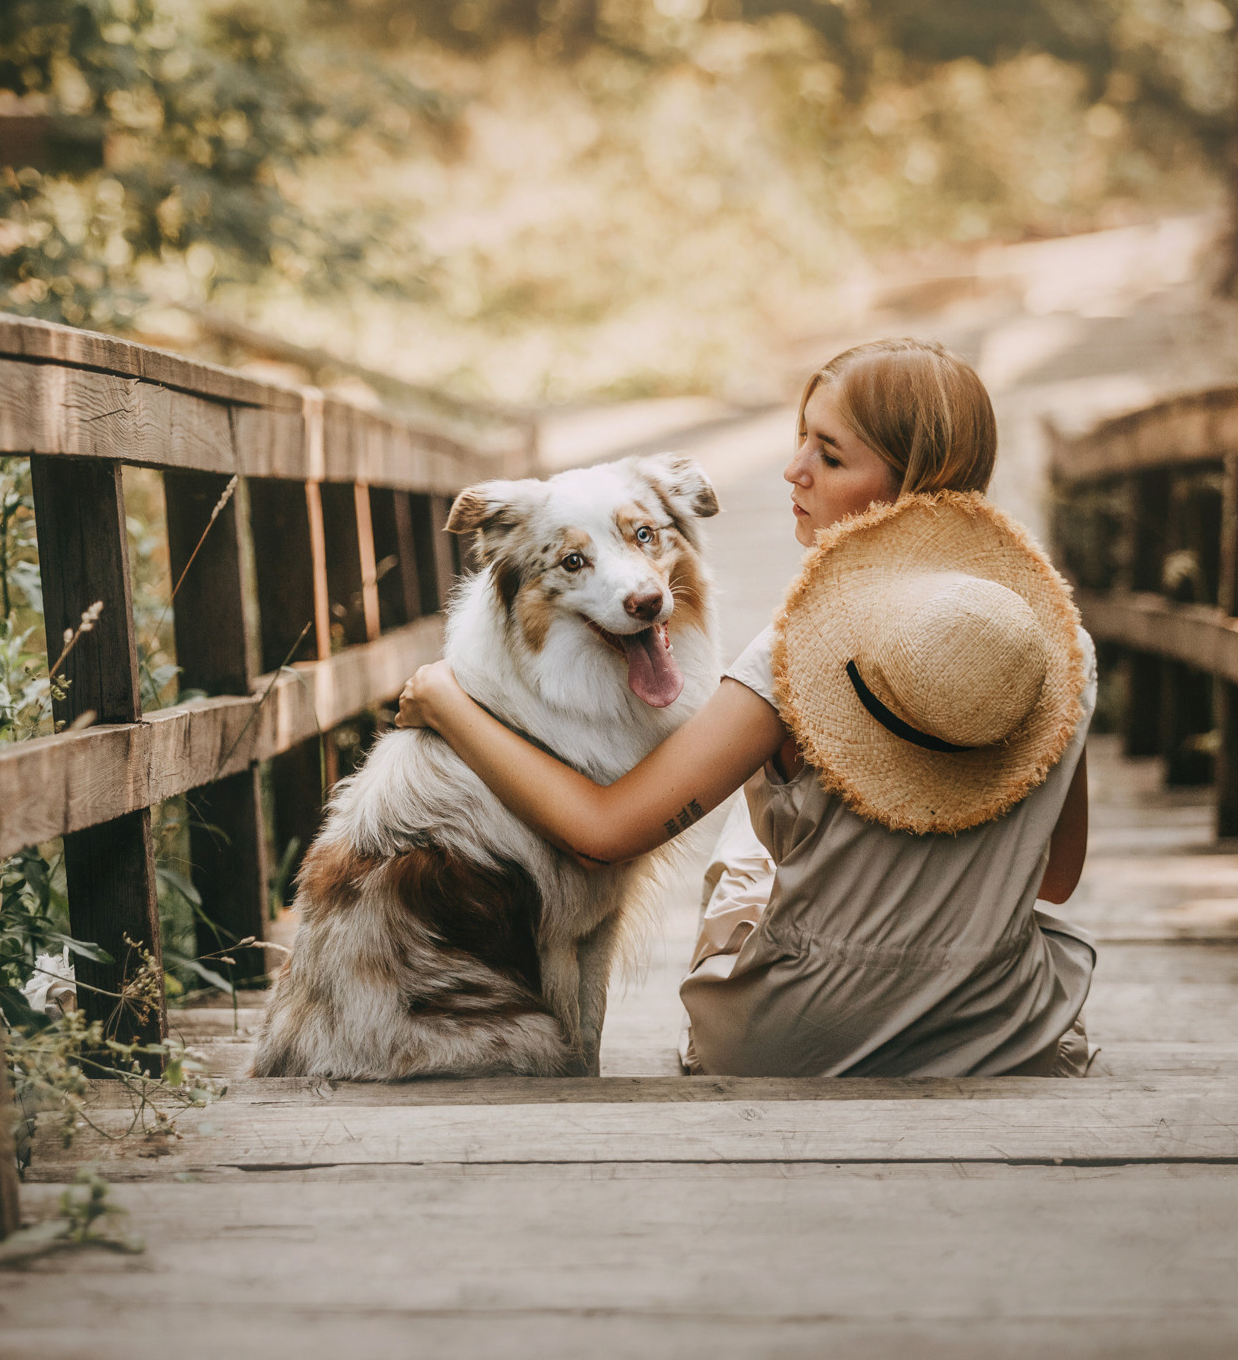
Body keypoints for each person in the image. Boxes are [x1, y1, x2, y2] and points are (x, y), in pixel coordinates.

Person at [395, 338, 1098, 1077]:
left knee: (746, 829)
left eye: (828, 455)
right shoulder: (1059, 645)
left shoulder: (801, 655)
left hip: (800, 1036)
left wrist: (447, 701)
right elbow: (1053, 877)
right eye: (801, 438)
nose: (793, 469)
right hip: (998, 1027)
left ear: (910, 482)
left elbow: (602, 835)